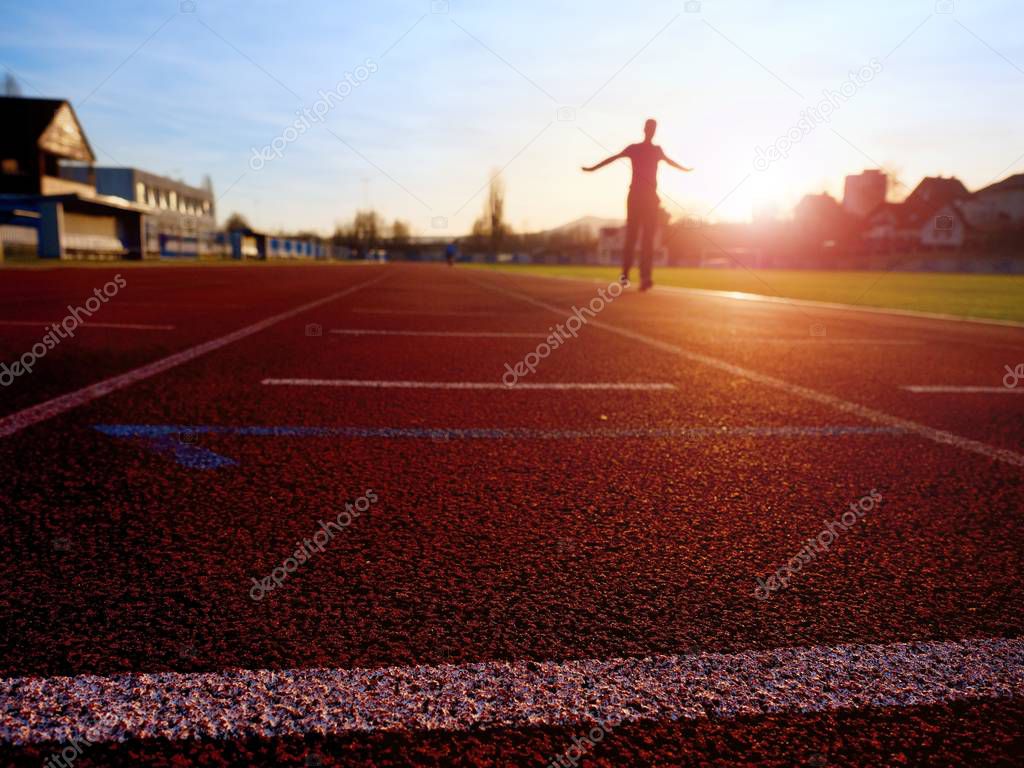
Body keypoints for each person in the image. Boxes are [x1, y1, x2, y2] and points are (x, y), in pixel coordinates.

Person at [581, 119, 692, 291]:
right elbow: (613, 158)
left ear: (655, 131)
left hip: (650, 198)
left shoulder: (657, 150)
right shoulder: (634, 148)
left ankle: (645, 277)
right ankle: (625, 274)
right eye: (649, 128)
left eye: (653, 129)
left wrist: (686, 169)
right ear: (644, 130)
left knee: (648, 239)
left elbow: (671, 162)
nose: (651, 131)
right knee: (632, 237)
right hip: (635, 197)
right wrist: (592, 168)